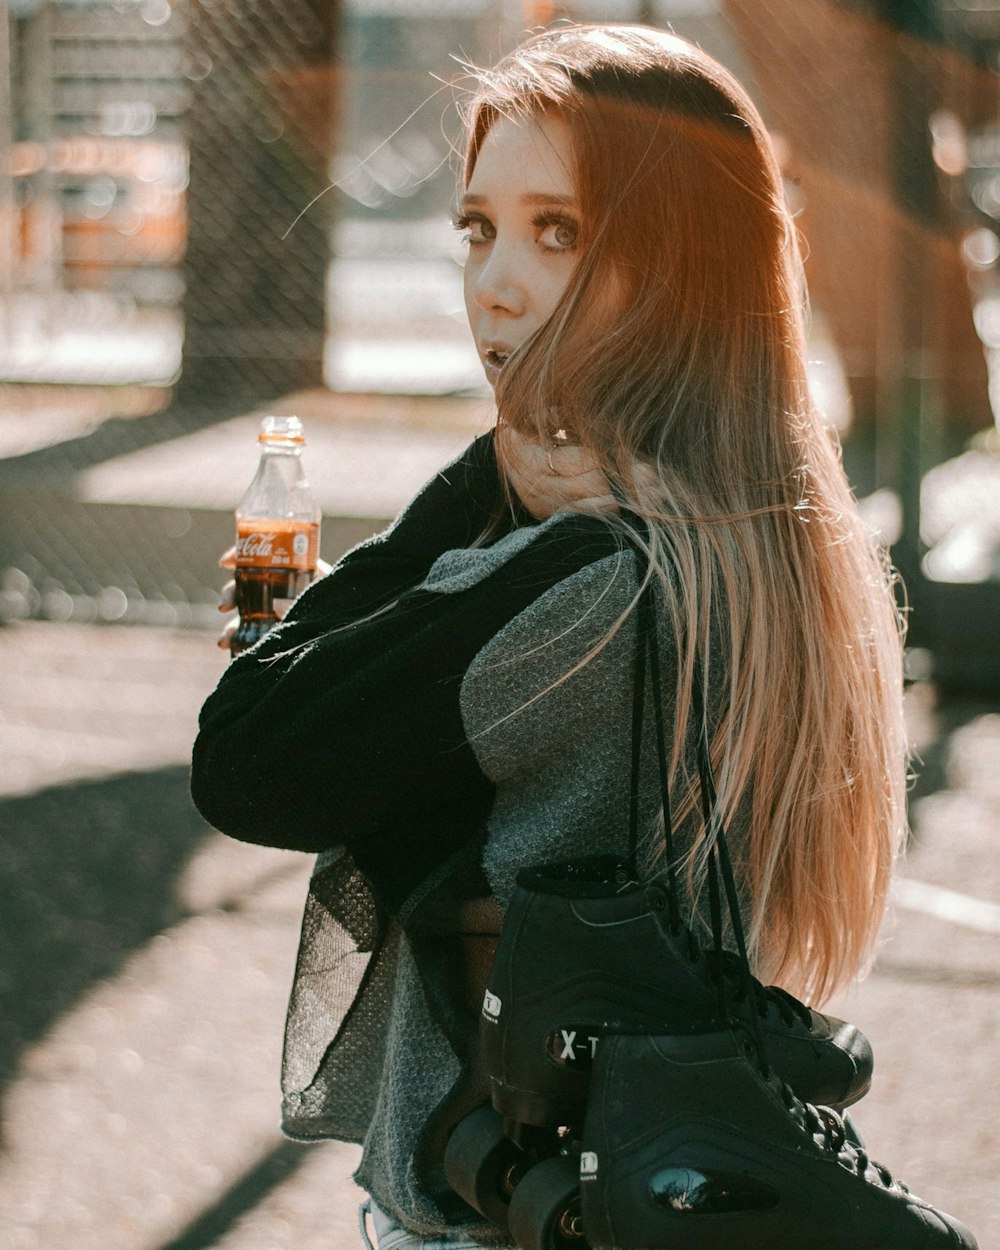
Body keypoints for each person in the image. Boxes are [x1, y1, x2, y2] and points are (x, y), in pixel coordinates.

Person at [191, 24, 909, 1249]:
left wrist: (484, 474)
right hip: (635, 1175)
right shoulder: (753, 529)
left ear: (679, 265)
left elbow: (251, 753)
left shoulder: (588, 585)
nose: (497, 283)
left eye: (558, 230)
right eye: (477, 227)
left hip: (501, 1209)